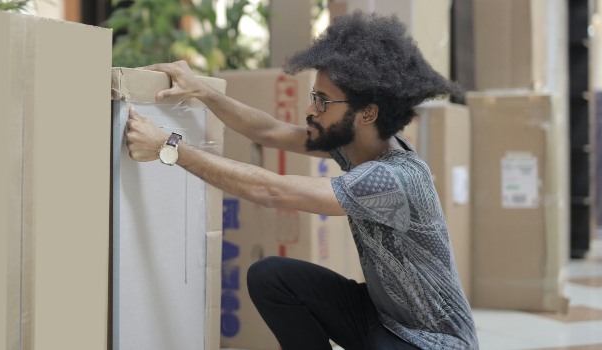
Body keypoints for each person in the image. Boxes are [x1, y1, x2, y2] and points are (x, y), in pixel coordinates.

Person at [124, 10, 478, 350]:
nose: (311, 110)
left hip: (431, 342)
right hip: (383, 320)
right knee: (272, 277)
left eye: (323, 101)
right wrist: (202, 90)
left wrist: (168, 146)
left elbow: (271, 191)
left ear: (367, 113)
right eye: (314, 97)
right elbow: (269, 131)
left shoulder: (393, 178)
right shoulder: (355, 144)